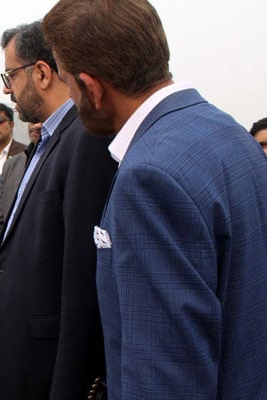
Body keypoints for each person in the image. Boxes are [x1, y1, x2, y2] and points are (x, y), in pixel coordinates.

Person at [43, 1, 267, 398]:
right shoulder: (229, 134)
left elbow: (164, 375)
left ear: (92, 88)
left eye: (68, 84)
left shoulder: (149, 176)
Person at [0, 22, 116, 399]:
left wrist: (70, 387)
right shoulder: (49, 141)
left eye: (10, 74)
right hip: (23, 364)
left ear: (41, 72)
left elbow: (83, 279)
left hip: (48, 374)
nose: (6, 89)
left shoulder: (86, 139)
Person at [0, 121, 41, 256]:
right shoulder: (12, 165)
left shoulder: (62, 158)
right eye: (33, 120)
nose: (36, 126)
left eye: (42, 120)